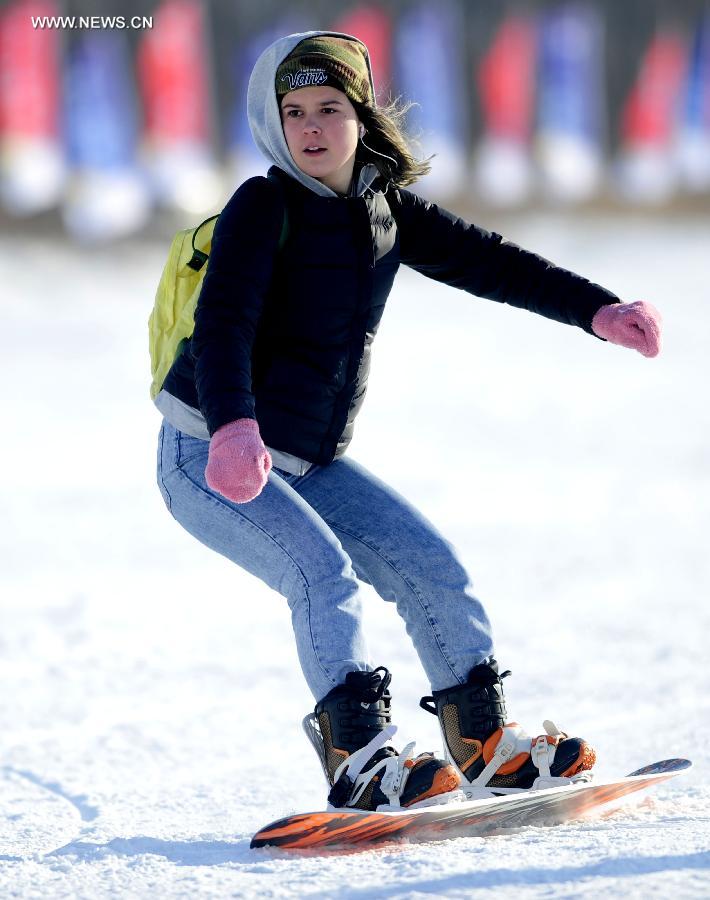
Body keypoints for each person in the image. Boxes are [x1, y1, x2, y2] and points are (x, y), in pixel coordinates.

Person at [154, 31, 662, 811]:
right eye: (295, 112)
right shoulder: (263, 205)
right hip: (209, 451)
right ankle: (358, 762)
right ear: (272, 123)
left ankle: (487, 747)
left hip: (307, 459)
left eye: (330, 108)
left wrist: (596, 309)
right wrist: (231, 427)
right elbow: (222, 324)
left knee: (430, 564)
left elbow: (492, 261)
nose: (312, 127)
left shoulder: (384, 210)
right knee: (321, 574)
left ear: (361, 117)